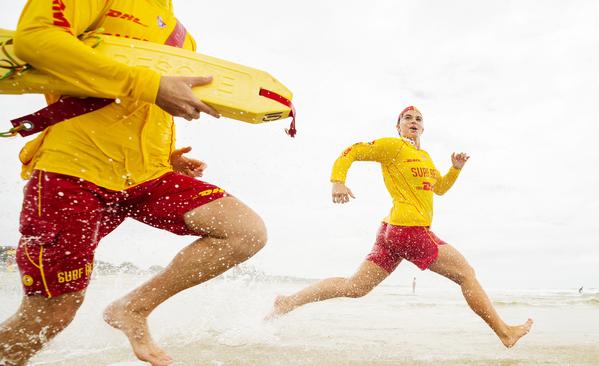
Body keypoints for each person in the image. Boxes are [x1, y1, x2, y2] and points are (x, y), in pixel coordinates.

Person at [0, 2, 267, 366]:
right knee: (51, 315)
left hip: (147, 175)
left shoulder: (181, 35)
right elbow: (36, 40)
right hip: (74, 171)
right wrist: (149, 84)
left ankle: (133, 308)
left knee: (244, 232)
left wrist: (168, 153)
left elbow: (145, 103)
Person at [269, 106, 533, 348]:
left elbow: (438, 189)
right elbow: (351, 151)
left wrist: (455, 169)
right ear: (398, 126)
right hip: (409, 229)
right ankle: (505, 333)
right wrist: (337, 180)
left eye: (418, 119)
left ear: (423, 128)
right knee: (466, 274)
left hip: (392, 232)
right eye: (407, 118)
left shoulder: (425, 157)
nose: (413, 121)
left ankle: (288, 302)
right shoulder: (392, 147)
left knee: (355, 287)